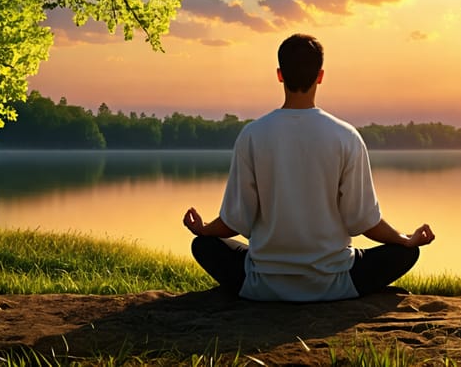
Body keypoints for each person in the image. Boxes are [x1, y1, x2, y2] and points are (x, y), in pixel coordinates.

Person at [183, 33, 435, 302]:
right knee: (405, 253)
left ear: (280, 75)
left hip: (261, 284)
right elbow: (363, 221)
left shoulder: (252, 135)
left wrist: (205, 229)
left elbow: (236, 220)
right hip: (336, 283)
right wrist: (405, 239)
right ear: (320, 76)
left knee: (203, 246)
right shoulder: (346, 136)